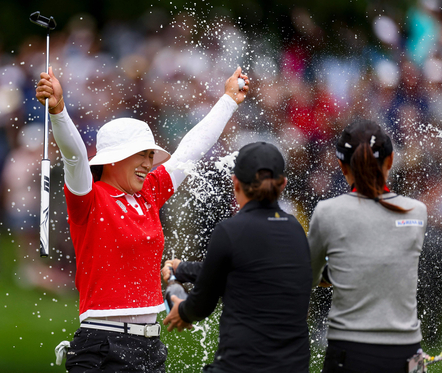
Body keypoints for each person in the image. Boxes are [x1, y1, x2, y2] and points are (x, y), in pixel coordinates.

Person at [35, 66, 249, 372]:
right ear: (113, 159)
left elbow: (190, 149)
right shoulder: (89, 198)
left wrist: (228, 99)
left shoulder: (150, 192)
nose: (148, 164)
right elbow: (75, 156)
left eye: (150, 155)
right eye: (140, 155)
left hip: (150, 348)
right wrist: (58, 110)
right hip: (102, 347)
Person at [163, 142, 313, 373]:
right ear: (282, 184)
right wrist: (183, 268)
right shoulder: (295, 229)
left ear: (235, 183)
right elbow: (244, 270)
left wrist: (181, 309)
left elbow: (202, 304)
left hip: (241, 365)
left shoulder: (229, 230)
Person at [308, 119, 428, 373]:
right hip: (407, 353)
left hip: (349, 352)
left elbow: (307, 276)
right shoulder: (418, 212)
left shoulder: (327, 212)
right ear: (391, 160)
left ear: (341, 166)